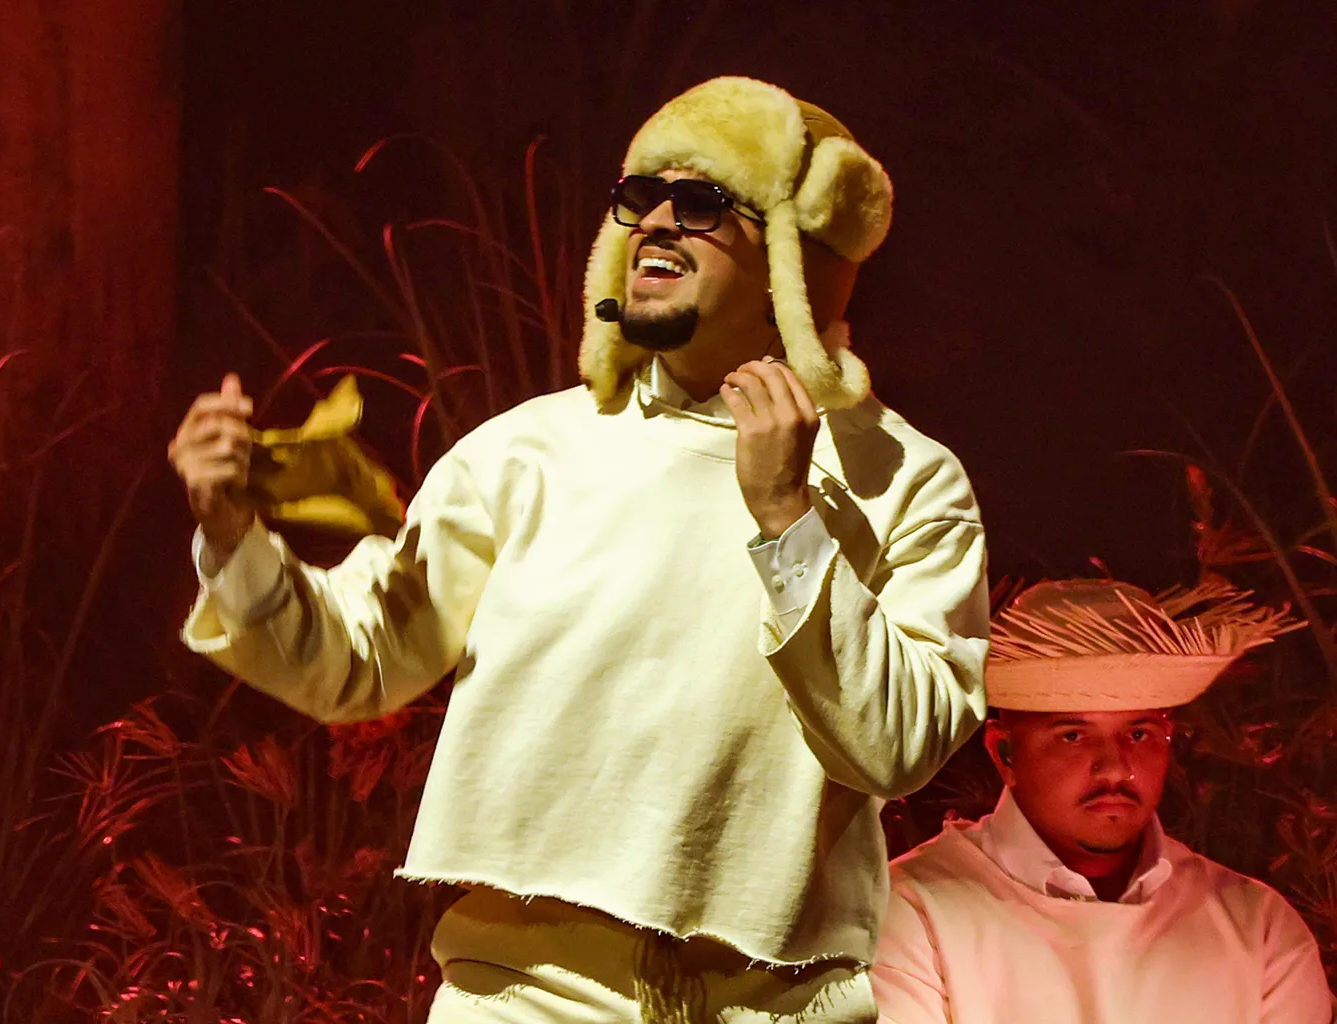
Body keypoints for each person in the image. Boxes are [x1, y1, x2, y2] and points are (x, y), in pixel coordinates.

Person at [169, 76, 989, 1023]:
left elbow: (901, 746)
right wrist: (232, 537)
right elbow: (360, 662)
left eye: (703, 201)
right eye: (640, 197)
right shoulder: (526, 453)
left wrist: (786, 518)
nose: (656, 224)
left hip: (781, 1005)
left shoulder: (905, 479)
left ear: (794, 260)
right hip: (524, 1000)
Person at [871, 578, 1332, 1024]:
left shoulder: (1258, 928)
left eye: (1138, 733)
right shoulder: (908, 912)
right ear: (1005, 753)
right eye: (1073, 735)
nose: (1114, 768)